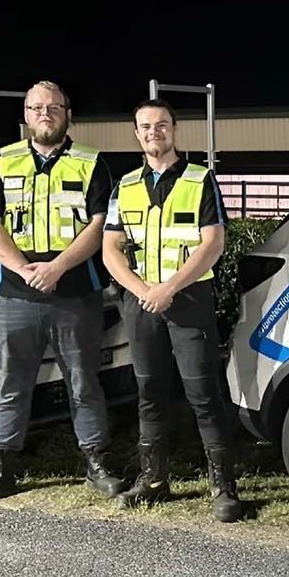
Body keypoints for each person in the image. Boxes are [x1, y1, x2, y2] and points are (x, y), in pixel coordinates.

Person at [0, 80, 123, 502]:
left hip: (75, 294)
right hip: (16, 295)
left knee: (84, 383)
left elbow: (100, 224)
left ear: (68, 114)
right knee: (13, 384)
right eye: (36, 108)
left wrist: (57, 267)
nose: (45, 114)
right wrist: (21, 268)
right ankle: (0, 467)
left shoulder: (92, 164)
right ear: (26, 116)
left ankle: (97, 462)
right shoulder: (2, 163)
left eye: (53, 107)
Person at [102, 98, 242, 522]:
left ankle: (224, 486)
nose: (154, 132)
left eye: (161, 124)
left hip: (188, 300)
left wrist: (169, 288)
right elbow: (111, 250)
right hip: (142, 302)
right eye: (145, 126)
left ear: (174, 129)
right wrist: (144, 290)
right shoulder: (124, 186)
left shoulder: (200, 179)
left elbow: (212, 243)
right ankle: (154, 480)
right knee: (149, 392)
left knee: (203, 393)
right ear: (136, 133)